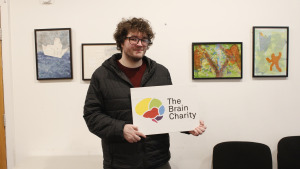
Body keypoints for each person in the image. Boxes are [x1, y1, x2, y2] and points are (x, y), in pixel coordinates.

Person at [83, 17, 207, 169]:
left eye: (144, 39)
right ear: (121, 42)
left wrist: (188, 124)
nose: (140, 44)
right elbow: (91, 115)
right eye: (133, 38)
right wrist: (120, 129)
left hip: (157, 161)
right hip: (120, 163)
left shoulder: (161, 72)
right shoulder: (102, 75)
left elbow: (167, 111)